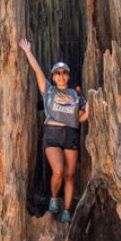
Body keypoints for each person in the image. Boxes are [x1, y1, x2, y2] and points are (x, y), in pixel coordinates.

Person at [18, 36, 89, 224]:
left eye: (64, 72)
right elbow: (37, 70)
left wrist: (88, 111)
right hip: (52, 135)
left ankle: (66, 211)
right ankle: (54, 197)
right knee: (58, 170)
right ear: (53, 76)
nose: (61, 75)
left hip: (71, 134)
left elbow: (80, 118)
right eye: (57, 73)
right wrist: (27, 51)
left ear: (68, 75)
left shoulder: (75, 95)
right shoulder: (48, 91)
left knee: (70, 174)